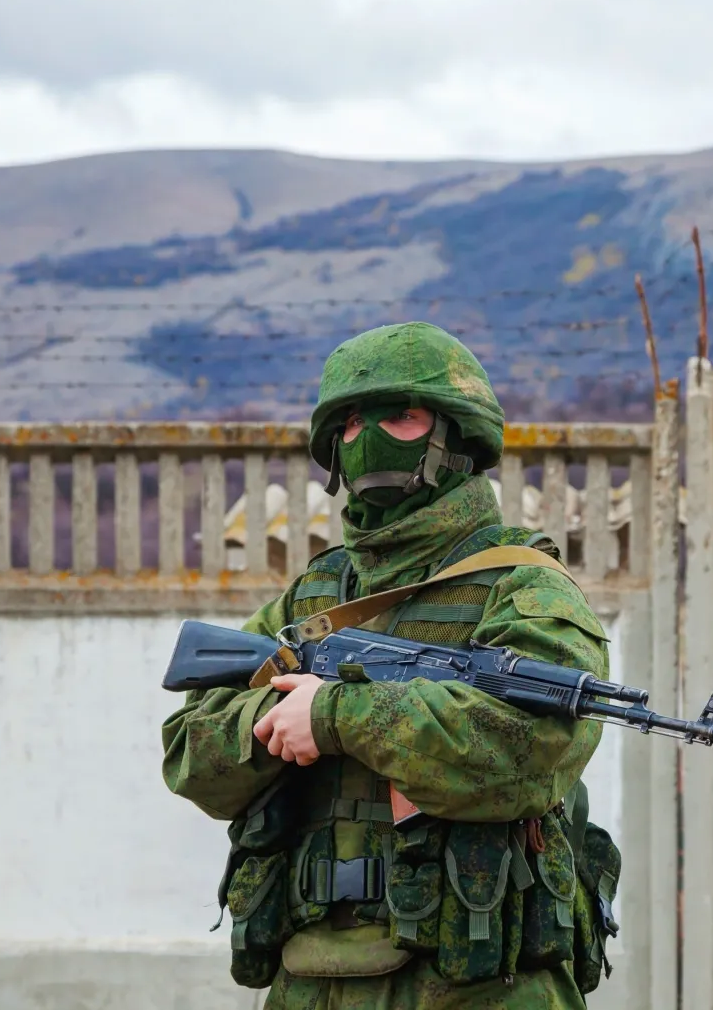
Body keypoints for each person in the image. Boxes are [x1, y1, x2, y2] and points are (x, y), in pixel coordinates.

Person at [161, 321, 618, 1009]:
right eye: (348, 421)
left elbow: (529, 747)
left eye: (399, 415)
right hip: (310, 982)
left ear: (455, 434)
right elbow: (190, 755)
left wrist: (337, 712)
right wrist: (279, 717)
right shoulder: (311, 597)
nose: (365, 436)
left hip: (478, 988)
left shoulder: (524, 586)